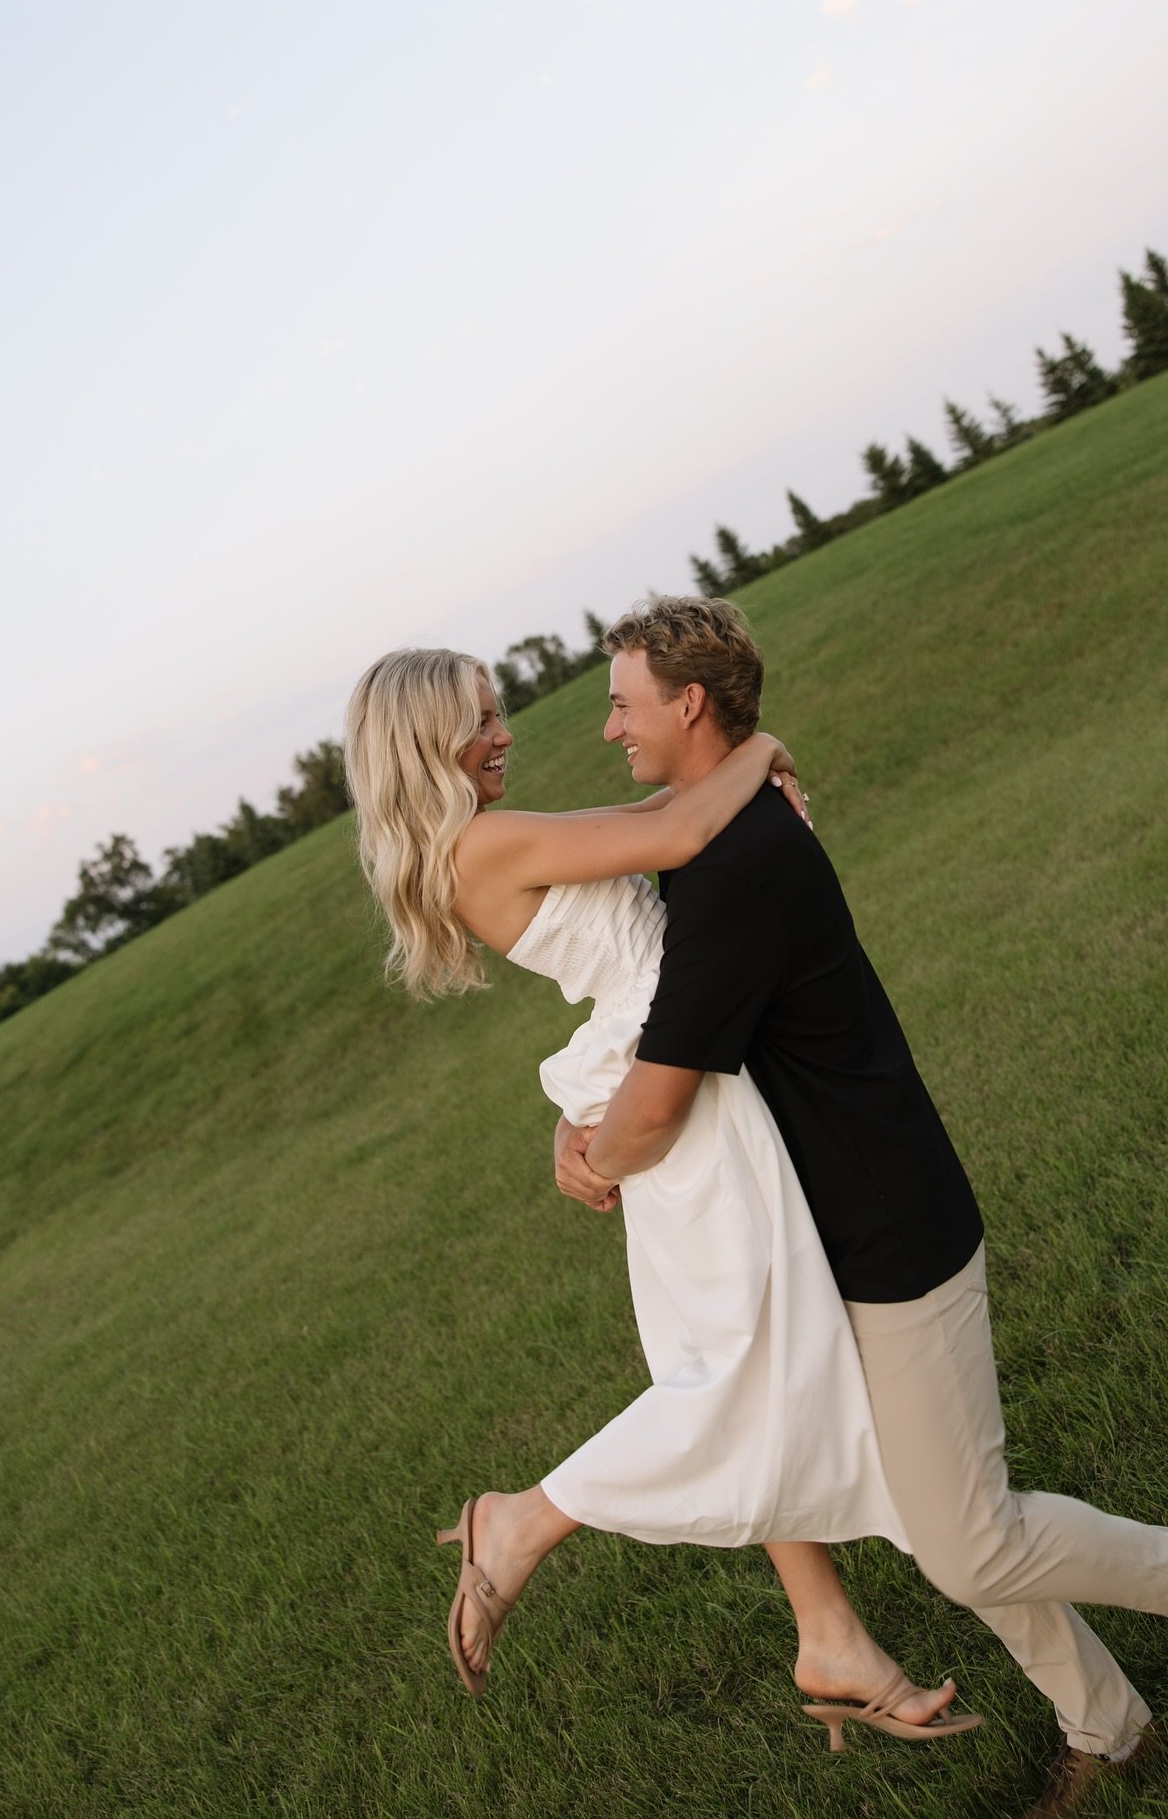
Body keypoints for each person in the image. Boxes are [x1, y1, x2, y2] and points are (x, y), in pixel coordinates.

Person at [551, 595, 1168, 1817]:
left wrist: (596, 1149)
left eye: (622, 702)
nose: (609, 728)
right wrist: (574, 1120)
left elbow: (651, 1109)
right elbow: (635, 1011)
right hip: (820, 1241)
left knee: (966, 1536)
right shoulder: (713, 833)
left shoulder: (740, 868)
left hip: (888, 1232)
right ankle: (1111, 1726)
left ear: (687, 704)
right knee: (941, 1520)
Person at [343, 644, 982, 1743]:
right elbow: (684, 833)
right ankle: (524, 1518)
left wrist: (584, 1099)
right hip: (686, 1089)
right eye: (483, 721)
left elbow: (672, 816)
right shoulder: (488, 840)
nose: (506, 734)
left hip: (676, 1062)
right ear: (424, 740)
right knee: (740, 1362)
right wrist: (769, 746)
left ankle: (828, 1629)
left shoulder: (488, 836)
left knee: (738, 1350)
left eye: (499, 714)